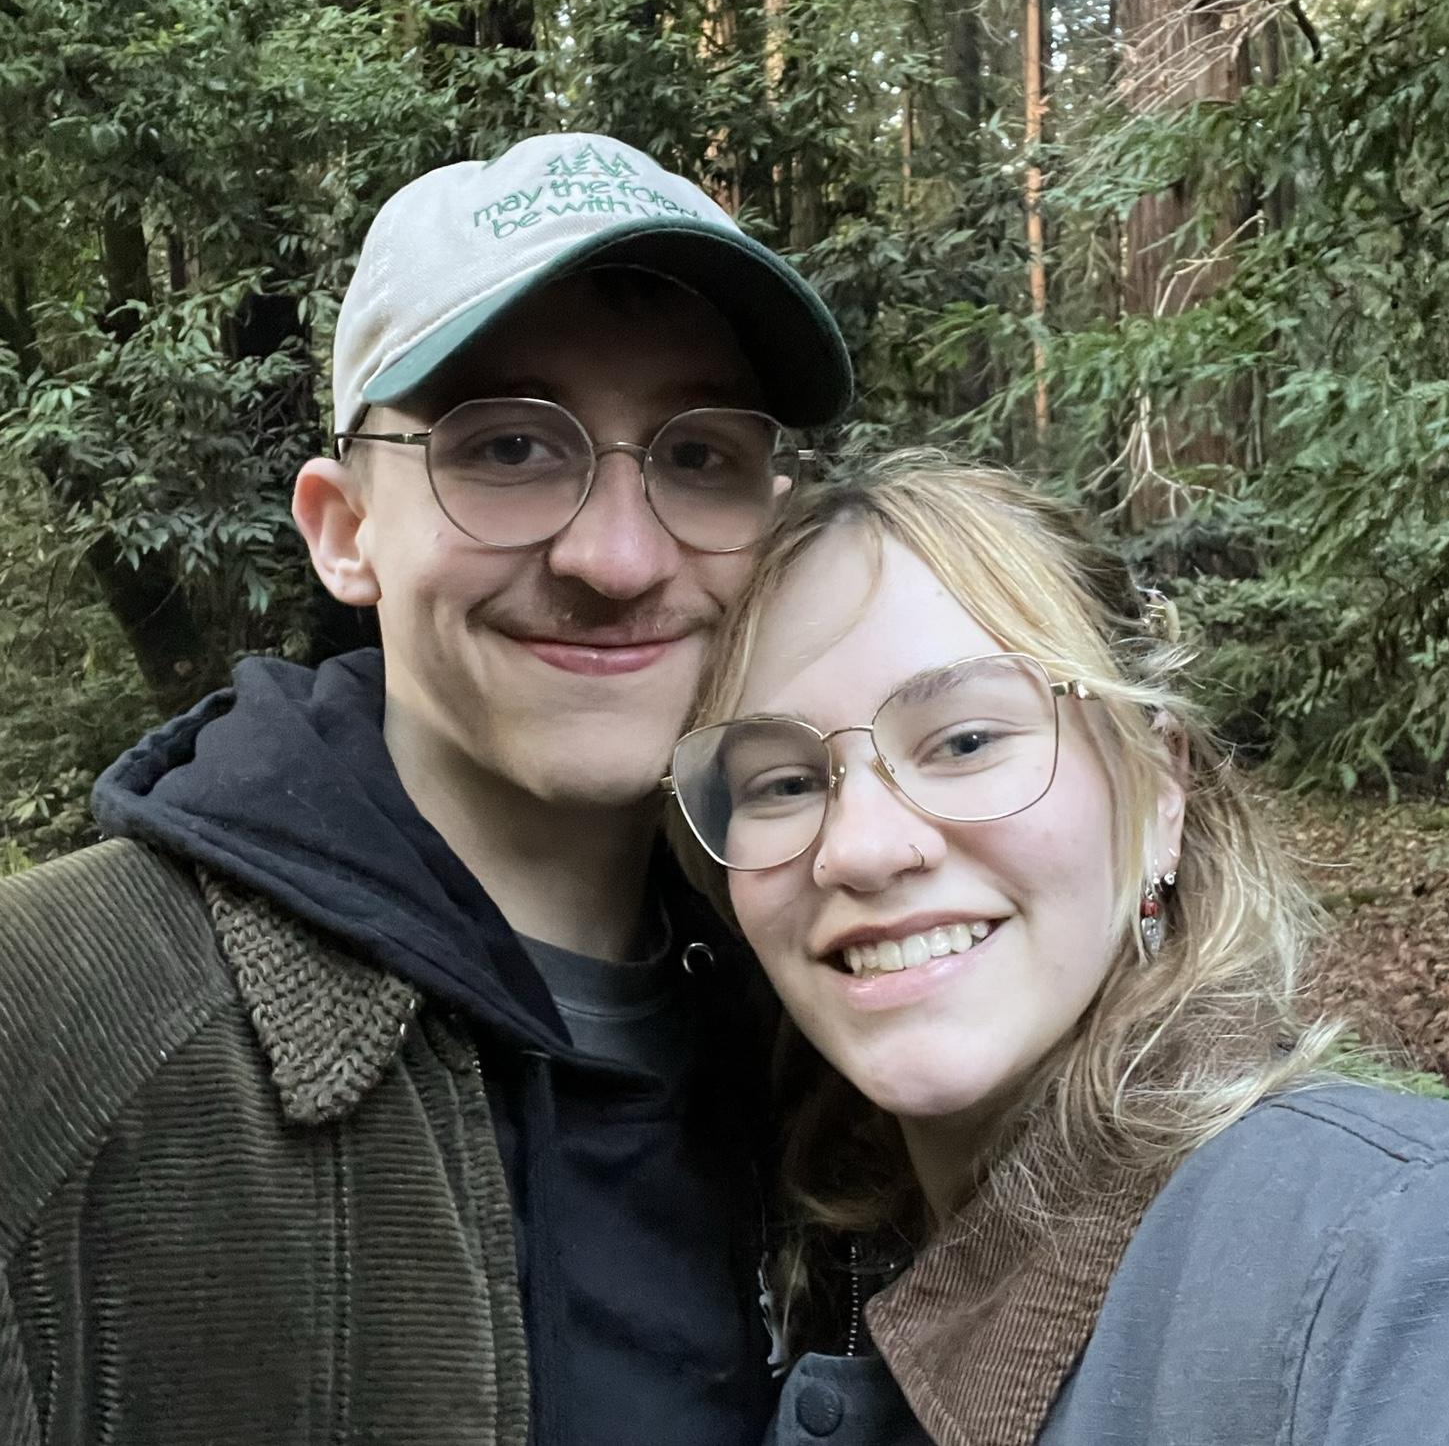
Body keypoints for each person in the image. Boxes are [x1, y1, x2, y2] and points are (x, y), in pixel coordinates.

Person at [0, 132, 852, 1445]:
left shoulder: (848, 1010)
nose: (619, 557)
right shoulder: (55, 1025)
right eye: (508, 448)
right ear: (344, 531)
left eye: (697, 457)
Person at [666, 450, 1449, 1446]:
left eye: (966, 740)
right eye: (783, 783)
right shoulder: (806, 1254)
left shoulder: (1391, 1257)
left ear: (1159, 786)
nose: (862, 849)